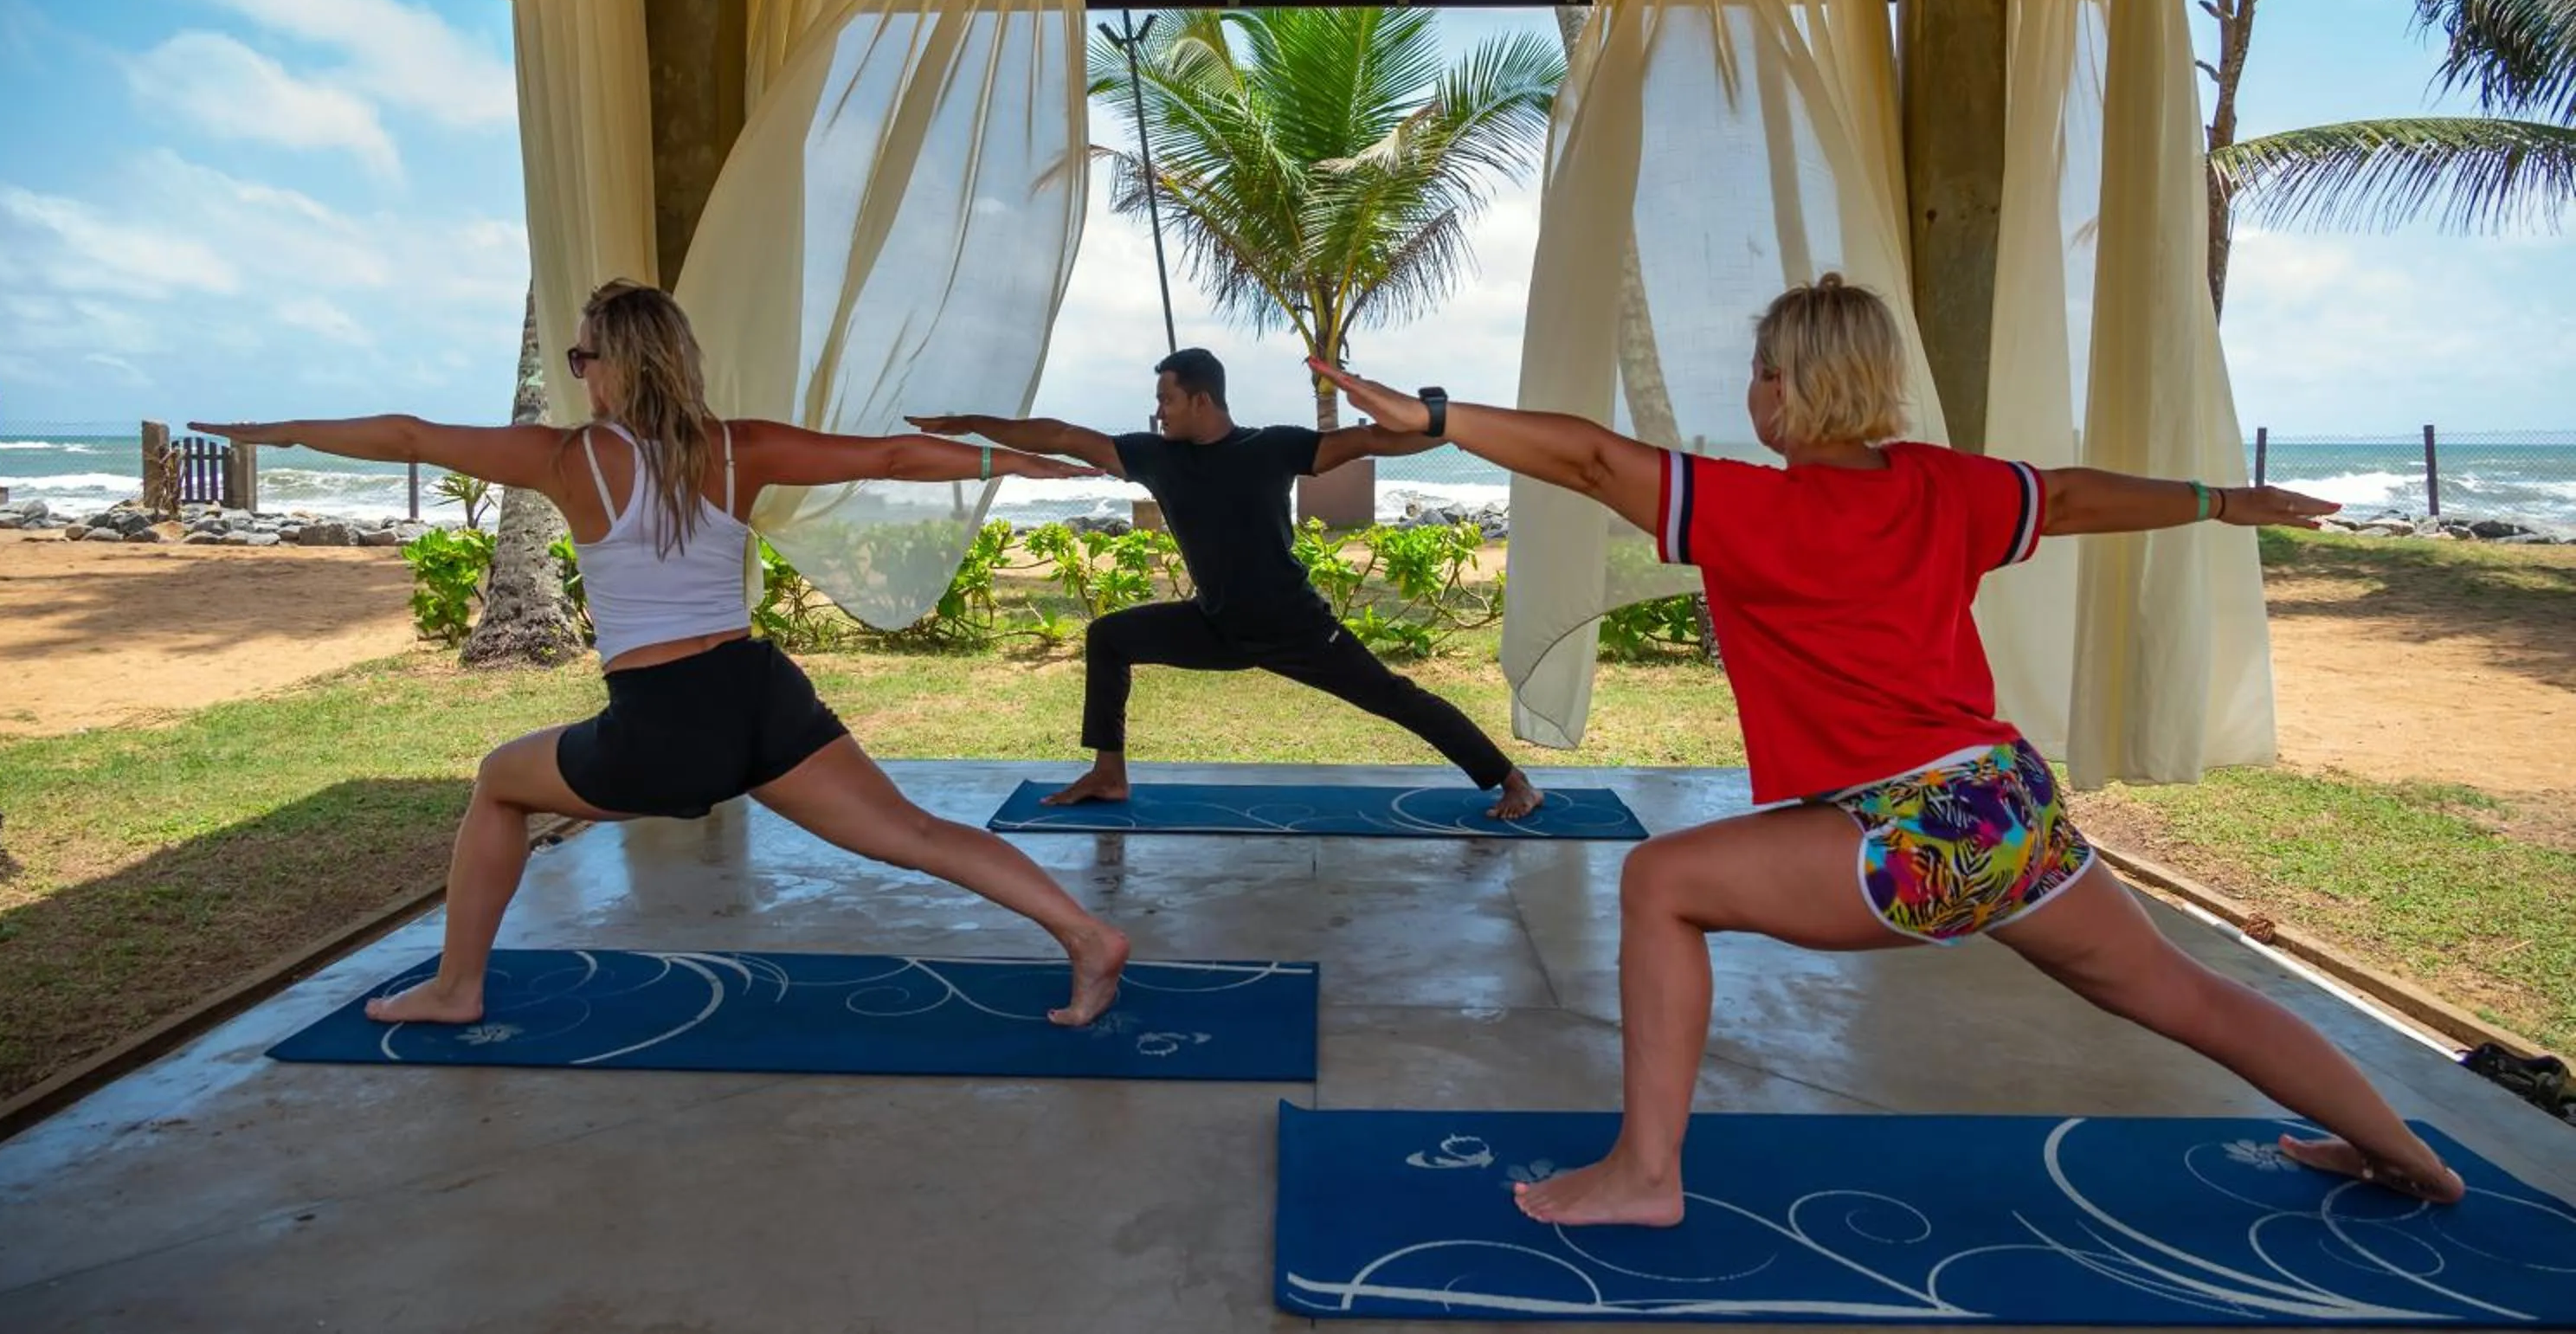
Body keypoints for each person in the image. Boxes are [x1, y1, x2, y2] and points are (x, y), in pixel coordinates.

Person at [1311, 274, 2466, 1225]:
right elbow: (2068, 496)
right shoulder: (1946, 488)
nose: (1752, 388)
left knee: (1661, 881)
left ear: (1791, 385)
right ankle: (2404, 1152)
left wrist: (1439, 415)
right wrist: (2219, 499)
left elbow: (1592, 459)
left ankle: (1645, 1174)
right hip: (2009, 805)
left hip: (1919, 829)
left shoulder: (1754, 507)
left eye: (1761, 369)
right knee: (2180, 990)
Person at [197, 280, 1130, 1029]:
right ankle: (1085, 934)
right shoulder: (738, 447)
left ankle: (455, 987)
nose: (579, 372)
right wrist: (1011, 462)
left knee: (499, 782)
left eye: (581, 356)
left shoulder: (567, 458)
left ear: (613, 365)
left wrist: (279, 434)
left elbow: (408, 436)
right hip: (759, 693)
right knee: (917, 835)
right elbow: (887, 458)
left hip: (664, 721)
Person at [909, 347, 1546, 819]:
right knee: (1109, 637)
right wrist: (972, 421)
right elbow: (1062, 436)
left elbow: (1367, 440)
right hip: (1216, 625)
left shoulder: (1272, 448)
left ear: (1201, 400)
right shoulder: (1155, 456)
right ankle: (1108, 774)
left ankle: (1512, 779)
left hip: (1294, 627)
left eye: (1166, 400)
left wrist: (1446, 425)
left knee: (1395, 698)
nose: (1158, 412)